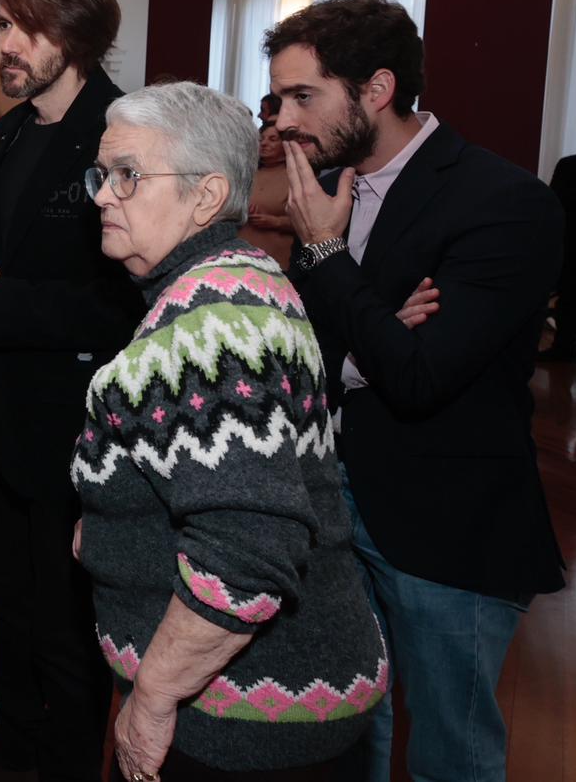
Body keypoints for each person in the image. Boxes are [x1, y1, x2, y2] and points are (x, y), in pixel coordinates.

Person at [265, 0, 565, 782]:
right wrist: (377, 338)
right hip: (331, 506)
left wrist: (328, 256)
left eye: (303, 96)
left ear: (377, 89)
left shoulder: (504, 202)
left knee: (448, 754)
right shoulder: (327, 186)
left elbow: (423, 377)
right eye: (278, 98)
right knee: (347, 731)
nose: (284, 121)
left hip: (446, 528)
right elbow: (303, 350)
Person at [72, 81, 386, 781]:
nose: (103, 196)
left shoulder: (212, 330)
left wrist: (153, 699)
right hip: (269, 705)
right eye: (102, 175)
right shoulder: (239, 278)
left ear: (206, 196)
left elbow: (245, 558)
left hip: (245, 721)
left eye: (127, 175)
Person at [0, 0, 142, 782]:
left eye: (24, 27)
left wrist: (5, 302)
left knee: (67, 624)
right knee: (6, 604)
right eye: (0, 26)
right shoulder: (11, 133)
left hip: (77, 434)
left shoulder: (124, 135)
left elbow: (130, 303)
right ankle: (9, 756)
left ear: (76, 30)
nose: (4, 44)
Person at [542, 116, 576, 361]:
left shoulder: (569, 166)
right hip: (573, 242)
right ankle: (563, 347)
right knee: (568, 298)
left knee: (570, 297)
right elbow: (555, 199)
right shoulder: (569, 165)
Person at [239, 122, 293, 267]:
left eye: (272, 139)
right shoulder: (248, 174)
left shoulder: (295, 177)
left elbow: (310, 223)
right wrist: (241, 210)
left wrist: (275, 222)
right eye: (261, 139)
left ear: (286, 144)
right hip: (242, 256)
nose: (264, 143)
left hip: (276, 260)